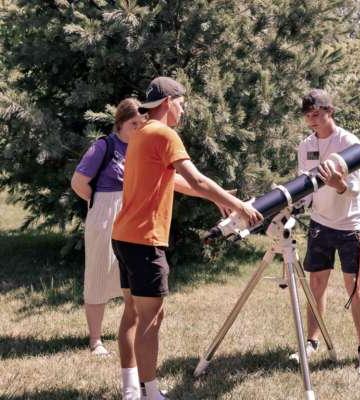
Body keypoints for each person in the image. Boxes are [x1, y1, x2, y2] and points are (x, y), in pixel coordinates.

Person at [111, 77, 262, 400]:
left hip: (124, 236)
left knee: (134, 313)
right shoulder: (165, 134)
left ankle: (130, 389)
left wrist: (216, 198)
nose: (183, 110)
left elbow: (175, 181)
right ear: (168, 102)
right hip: (145, 240)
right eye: (182, 103)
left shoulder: (142, 134)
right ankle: (150, 393)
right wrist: (239, 206)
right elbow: (195, 177)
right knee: (151, 318)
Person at [292, 89, 360, 376]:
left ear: (330, 111)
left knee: (355, 287)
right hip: (320, 223)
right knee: (316, 284)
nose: (312, 120)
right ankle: (312, 341)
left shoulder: (349, 143)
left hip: (350, 225)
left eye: (316, 114)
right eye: (307, 116)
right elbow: (305, 186)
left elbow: (354, 190)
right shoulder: (305, 147)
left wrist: (340, 184)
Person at [71, 98, 146, 356]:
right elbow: (78, 181)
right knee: (98, 274)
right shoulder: (104, 146)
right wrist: (100, 203)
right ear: (121, 123)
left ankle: (131, 330)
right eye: (133, 123)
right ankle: (95, 339)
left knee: (130, 274)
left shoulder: (139, 147)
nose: (138, 127)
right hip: (104, 214)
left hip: (131, 214)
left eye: (141, 122)